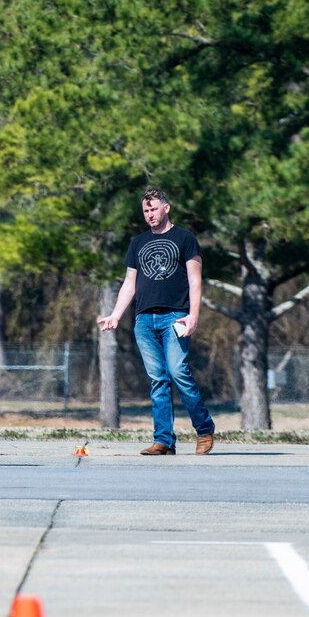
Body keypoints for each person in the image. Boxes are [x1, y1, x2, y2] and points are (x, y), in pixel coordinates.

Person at [97, 186, 216, 456]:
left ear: (166, 207)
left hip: (176, 317)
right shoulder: (137, 242)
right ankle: (163, 440)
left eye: (153, 208)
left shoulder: (185, 239)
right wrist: (116, 315)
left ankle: (205, 428)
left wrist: (193, 315)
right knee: (158, 379)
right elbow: (130, 283)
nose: (150, 214)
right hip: (144, 320)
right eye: (145, 211)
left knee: (178, 372)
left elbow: (196, 280)